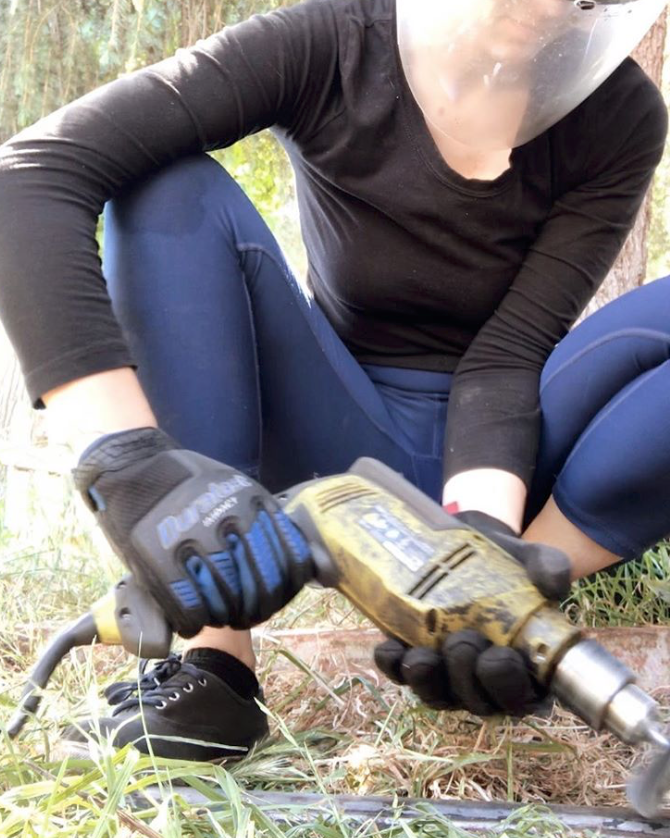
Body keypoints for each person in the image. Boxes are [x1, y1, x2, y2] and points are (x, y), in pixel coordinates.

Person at [0, 0, 668, 761]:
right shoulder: (334, 42)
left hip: (506, 449)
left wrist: (480, 546)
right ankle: (218, 667)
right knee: (165, 188)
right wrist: (123, 460)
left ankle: (501, 606)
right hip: (333, 425)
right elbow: (33, 173)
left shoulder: (617, 112)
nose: (550, 5)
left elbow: (508, 353)